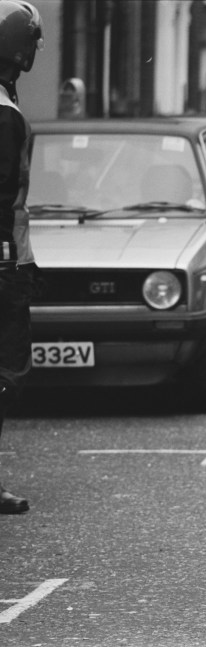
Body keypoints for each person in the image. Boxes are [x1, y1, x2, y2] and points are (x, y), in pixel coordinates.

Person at [0, 0, 43, 515]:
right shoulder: (5, 115)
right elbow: (3, 194)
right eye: (32, 41)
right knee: (6, 374)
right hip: (5, 264)